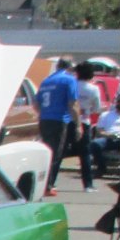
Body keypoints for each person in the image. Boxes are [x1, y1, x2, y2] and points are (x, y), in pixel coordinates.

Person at [36, 58, 80, 197]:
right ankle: (48, 186)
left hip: (45, 119)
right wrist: (78, 124)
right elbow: (72, 103)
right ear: (70, 67)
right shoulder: (69, 80)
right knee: (55, 154)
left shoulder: (46, 81)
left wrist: (44, 114)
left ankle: (43, 183)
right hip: (59, 120)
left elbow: (36, 104)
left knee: (46, 152)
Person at [75, 63, 103, 192]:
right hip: (84, 121)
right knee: (85, 154)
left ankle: (51, 183)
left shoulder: (72, 85)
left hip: (67, 121)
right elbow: (96, 108)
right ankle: (88, 184)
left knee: (59, 153)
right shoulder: (93, 89)